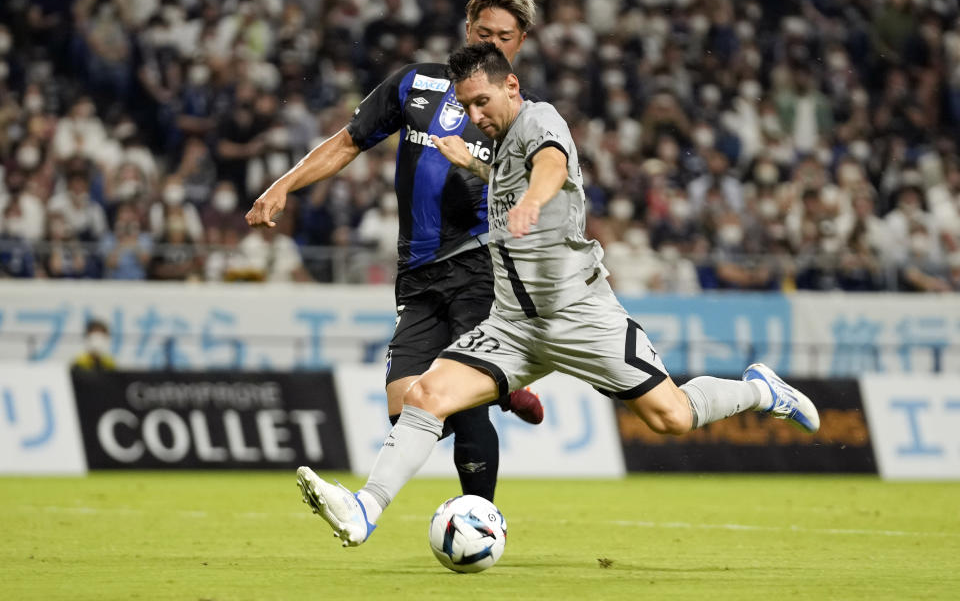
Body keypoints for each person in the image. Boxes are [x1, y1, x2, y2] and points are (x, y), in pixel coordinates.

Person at [294, 43, 821, 548]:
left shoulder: (540, 119)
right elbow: (507, 172)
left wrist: (532, 201)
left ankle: (760, 390)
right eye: (466, 105)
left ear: (512, 86)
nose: (475, 114)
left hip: (579, 317)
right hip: (512, 326)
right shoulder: (497, 144)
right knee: (425, 396)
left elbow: (550, 164)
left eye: (483, 101)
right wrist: (475, 165)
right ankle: (366, 509)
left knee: (673, 417)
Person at [245, 0, 544, 505]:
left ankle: (481, 519)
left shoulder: (520, 114)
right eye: (483, 32)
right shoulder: (415, 84)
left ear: (519, 45)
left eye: (504, 36)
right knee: (405, 405)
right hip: (418, 271)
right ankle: (502, 387)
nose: (492, 43)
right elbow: (347, 142)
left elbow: (530, 193)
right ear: (466, 31)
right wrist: (283, 185)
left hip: (480, 268)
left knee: (460, 397)